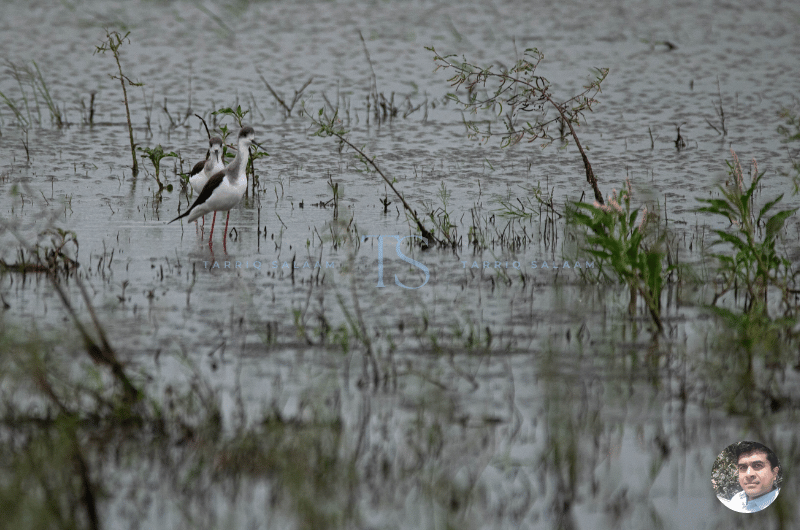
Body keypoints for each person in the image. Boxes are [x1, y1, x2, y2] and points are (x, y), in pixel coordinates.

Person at [719, 442, 781, 513]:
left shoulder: (780, 509)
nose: (748, 474)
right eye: (743, 467)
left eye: (757, 466)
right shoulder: (737, 499)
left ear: (775, 473)